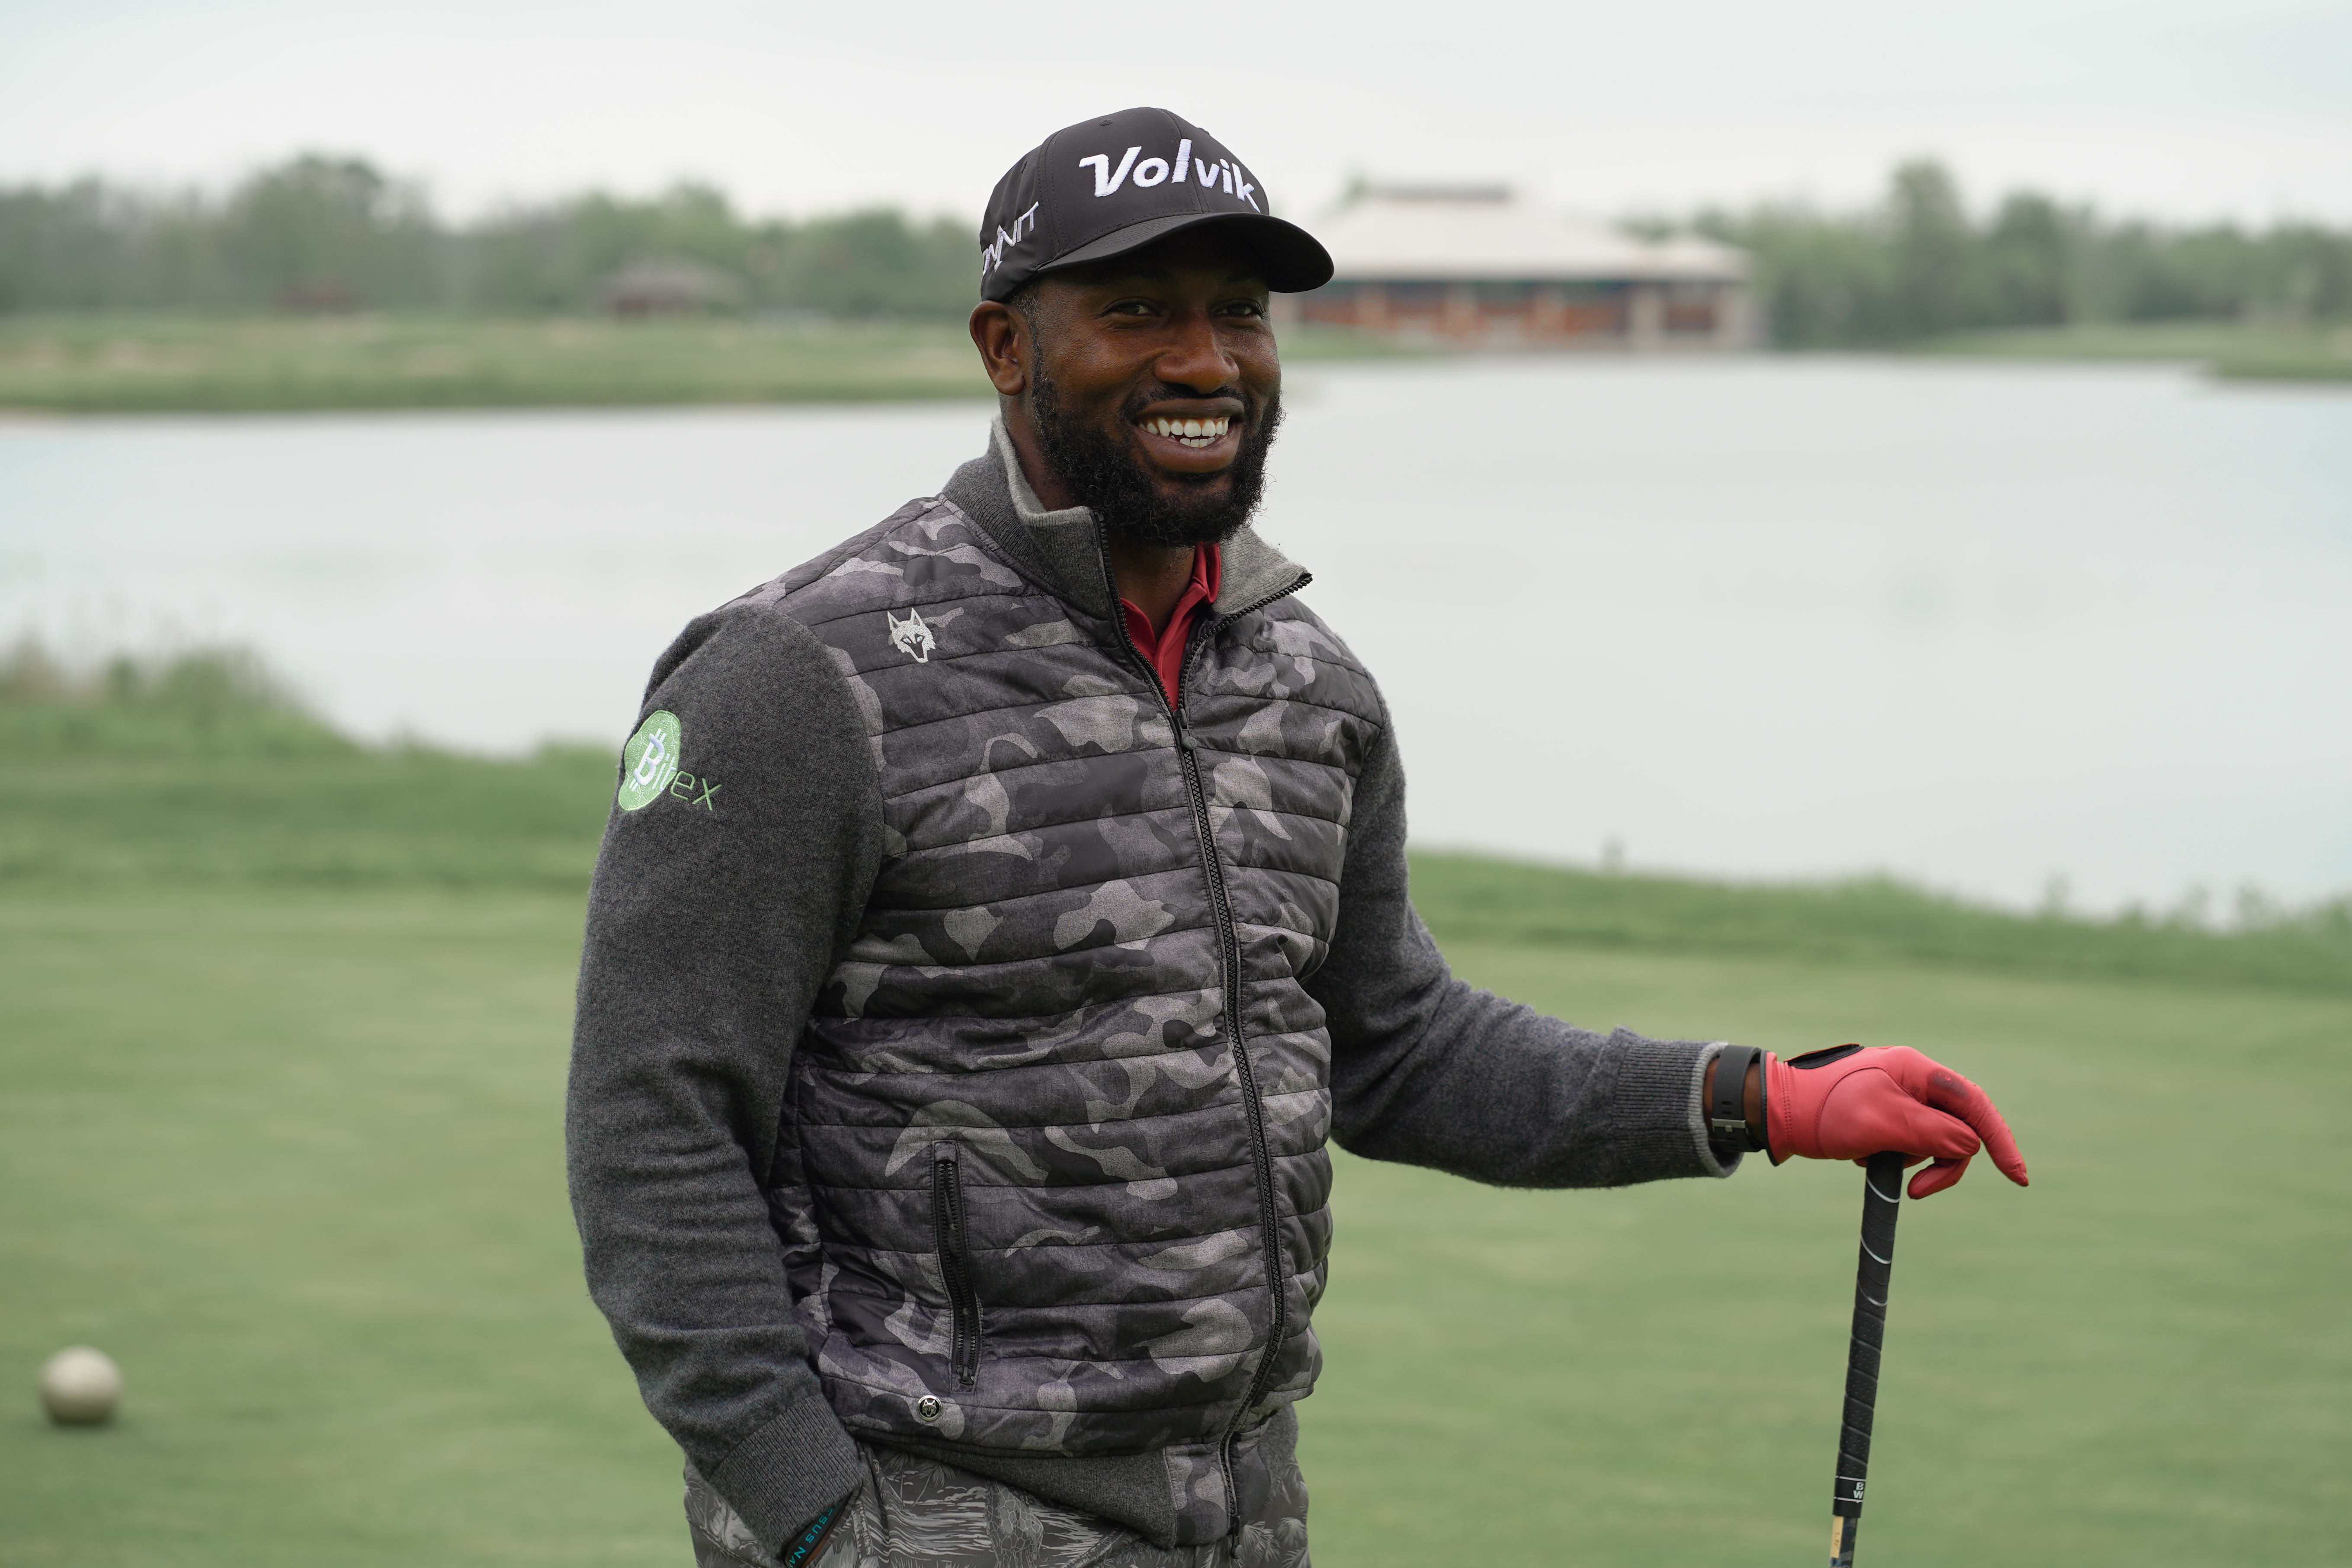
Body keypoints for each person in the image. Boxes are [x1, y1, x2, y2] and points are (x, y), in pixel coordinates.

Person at [564, 106, 2029, 1568]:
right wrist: (812, 1507)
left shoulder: (1304, 681)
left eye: (1240, 315)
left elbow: (1399, 1045)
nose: (1204, 362)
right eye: (1136, 311)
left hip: (1241, 1505)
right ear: (1005, 346)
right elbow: (654, 1118)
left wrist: (1760, 1097)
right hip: (920, 1508)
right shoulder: (799, 675)